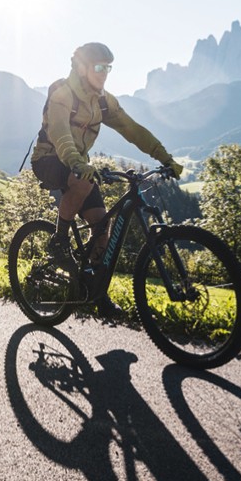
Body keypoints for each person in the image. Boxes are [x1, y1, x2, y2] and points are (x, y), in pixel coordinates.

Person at [30, 42, 183, 317]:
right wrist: (77, 163)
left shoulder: (102, 101)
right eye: (98, 67)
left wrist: (165, 157)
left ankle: (95, 290)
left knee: (102, 224)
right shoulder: (62, 93)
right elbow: (60, 133)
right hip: (49, 159)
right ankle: (59, 240)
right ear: (81, 66)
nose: (104, 73)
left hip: (78, 166)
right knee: (83, 181)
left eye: (108, 68)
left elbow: (132, 129)